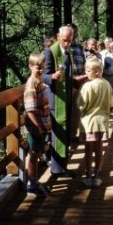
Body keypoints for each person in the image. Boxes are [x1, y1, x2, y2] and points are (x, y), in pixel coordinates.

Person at [42, 26, 80, 177]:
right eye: (64, 40)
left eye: (70, 41)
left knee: (65, 134)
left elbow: (68, 76)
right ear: (58, 36)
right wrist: (52, 77)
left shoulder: (67, 51)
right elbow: (43, 76)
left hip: (66, 98)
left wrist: (77, 82)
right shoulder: (49, 52)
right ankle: (57, 170)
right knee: (57, 135)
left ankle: (62, 167)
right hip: (56, 100)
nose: (67, 44)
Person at [76, 57, 113, 188]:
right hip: (102, 123)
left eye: (88, 71)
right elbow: (111, 104)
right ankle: (97, 175)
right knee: (99, 150)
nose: (86, 73)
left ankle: (88, 175)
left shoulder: (87, 86)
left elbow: (81, 105)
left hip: (88, 123)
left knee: (88, 150)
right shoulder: (107, 85)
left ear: (97, 71)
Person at [23, 52, 52, 196]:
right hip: (36, 127)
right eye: (37, 67)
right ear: (30, 66)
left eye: (42, 67)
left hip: (42, 125)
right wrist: (37, 128)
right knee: (33, 155)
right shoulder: (31, 84)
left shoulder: (38, 81)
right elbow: (30, 110)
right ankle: (32, 186)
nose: (40, 70)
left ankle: (34, 182)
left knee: (37, 153)